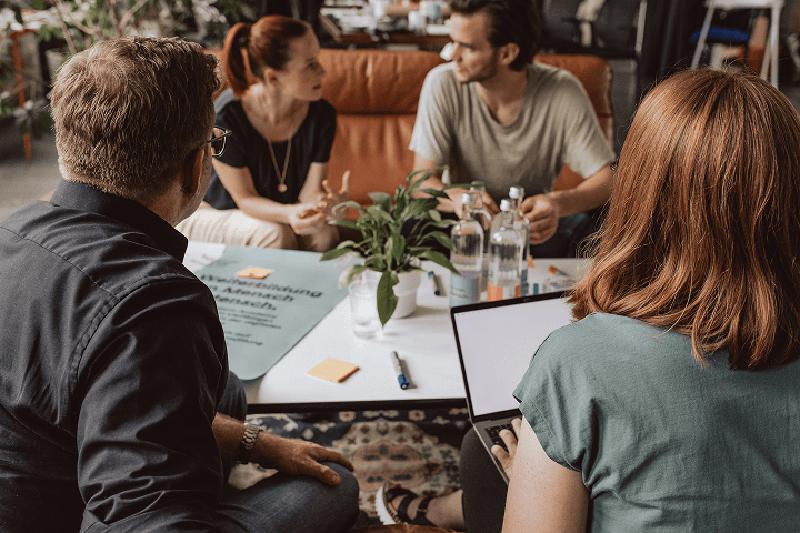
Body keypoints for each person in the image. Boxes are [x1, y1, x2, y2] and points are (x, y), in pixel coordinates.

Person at [384, 69, 800, 532]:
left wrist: (533, 482)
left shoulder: (576, 364)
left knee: (492, 455)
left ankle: (434, 511)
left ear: (640, 193)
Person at [0, 38, 359, 533]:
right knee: (336, 482)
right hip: (66, 515)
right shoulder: (154, 304)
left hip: (36, 474)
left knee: (225, 390)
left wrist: (259, 442)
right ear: (197, 165)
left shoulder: (9, 232)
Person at [410, 0, 615, 257]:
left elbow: (607, 180)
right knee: (412, 222)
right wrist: (457, 198)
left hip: (533, 229)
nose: (453, 55)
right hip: (463, 226)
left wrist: (557, 204)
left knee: (606, 224)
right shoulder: (441, 83)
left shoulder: (563, 89)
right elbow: (419, 184)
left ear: (508, 53)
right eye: (453, 42)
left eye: (468, 47)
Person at [177, 16, 346, 251]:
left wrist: (320, 206)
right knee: (276, 235)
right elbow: (245, 198)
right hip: (217, 212)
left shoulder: (322, 115)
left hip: (274, 215)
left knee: (324, 233)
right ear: (273, 77)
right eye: (310, 64)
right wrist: (291, 214)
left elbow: (311, 190)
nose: (323, 71)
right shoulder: (227, 117)